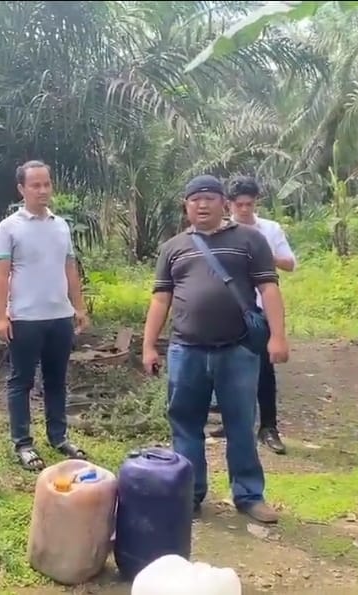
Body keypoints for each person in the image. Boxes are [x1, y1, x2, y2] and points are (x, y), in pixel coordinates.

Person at [142, 174, 290, 523]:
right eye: (195, 199)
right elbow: (161, 299)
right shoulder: (173, 247)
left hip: (236, 350)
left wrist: (278, 337)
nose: (202, 204)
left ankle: (249, 495)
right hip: (185, 350)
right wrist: (149, 345)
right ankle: (189, 495)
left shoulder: (250, 240)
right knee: (185, 425)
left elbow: (269, 290)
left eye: (210, 198)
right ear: (186, 206)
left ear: (224, 203)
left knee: (240, 423)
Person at [0, 160, 91, 472]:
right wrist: (1, 316)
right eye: (35, 185)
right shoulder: (9, 228)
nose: (43, 190)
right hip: (24, 318)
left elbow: (70, 267)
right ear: (21, 189)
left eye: (46, 183)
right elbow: (0, 274)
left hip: (59, 317)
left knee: (56, 380)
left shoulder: (61, 225)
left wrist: (79, 307)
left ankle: (58, 437)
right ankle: (23, 443)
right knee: (21, 381)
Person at [208, 175, 296, 455]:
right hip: (226, 309)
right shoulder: (217, 231)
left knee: (263, 370)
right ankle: (232, 421)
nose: (244, 210)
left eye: (249, 204)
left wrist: (261, 255)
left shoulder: (269, 229)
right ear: (228, 204)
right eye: (238, 205)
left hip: (260, 310)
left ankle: (268, 427)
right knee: (225, 368)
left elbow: (290, 263)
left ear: (256, 202)